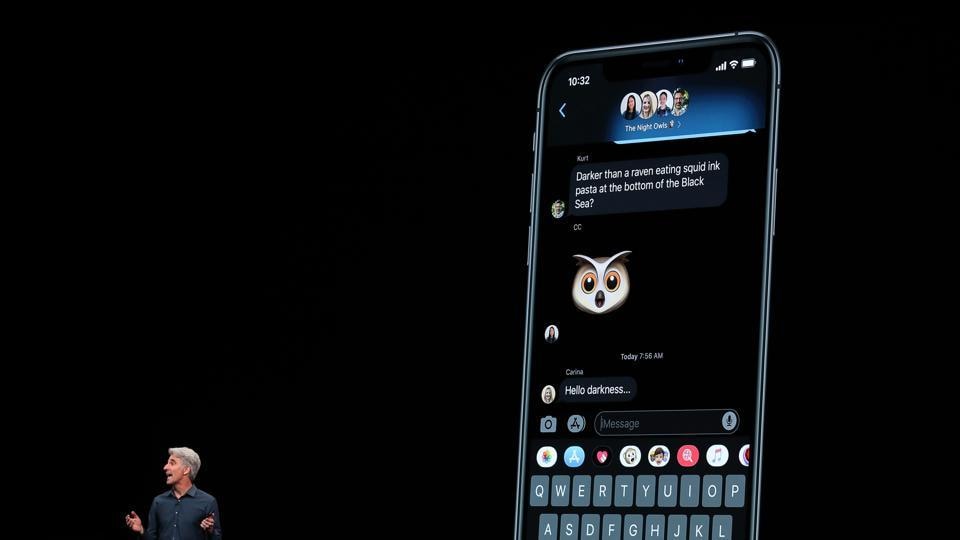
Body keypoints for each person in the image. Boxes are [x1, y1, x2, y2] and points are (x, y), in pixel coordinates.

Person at [125, 447, 222, 539]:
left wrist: (211, 530)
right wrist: (141, 530)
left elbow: (217, 537)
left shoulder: (208, 501)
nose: (165, 467)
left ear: (186, 470)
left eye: (172, 463)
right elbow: (152, 537)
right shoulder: (158, 501)